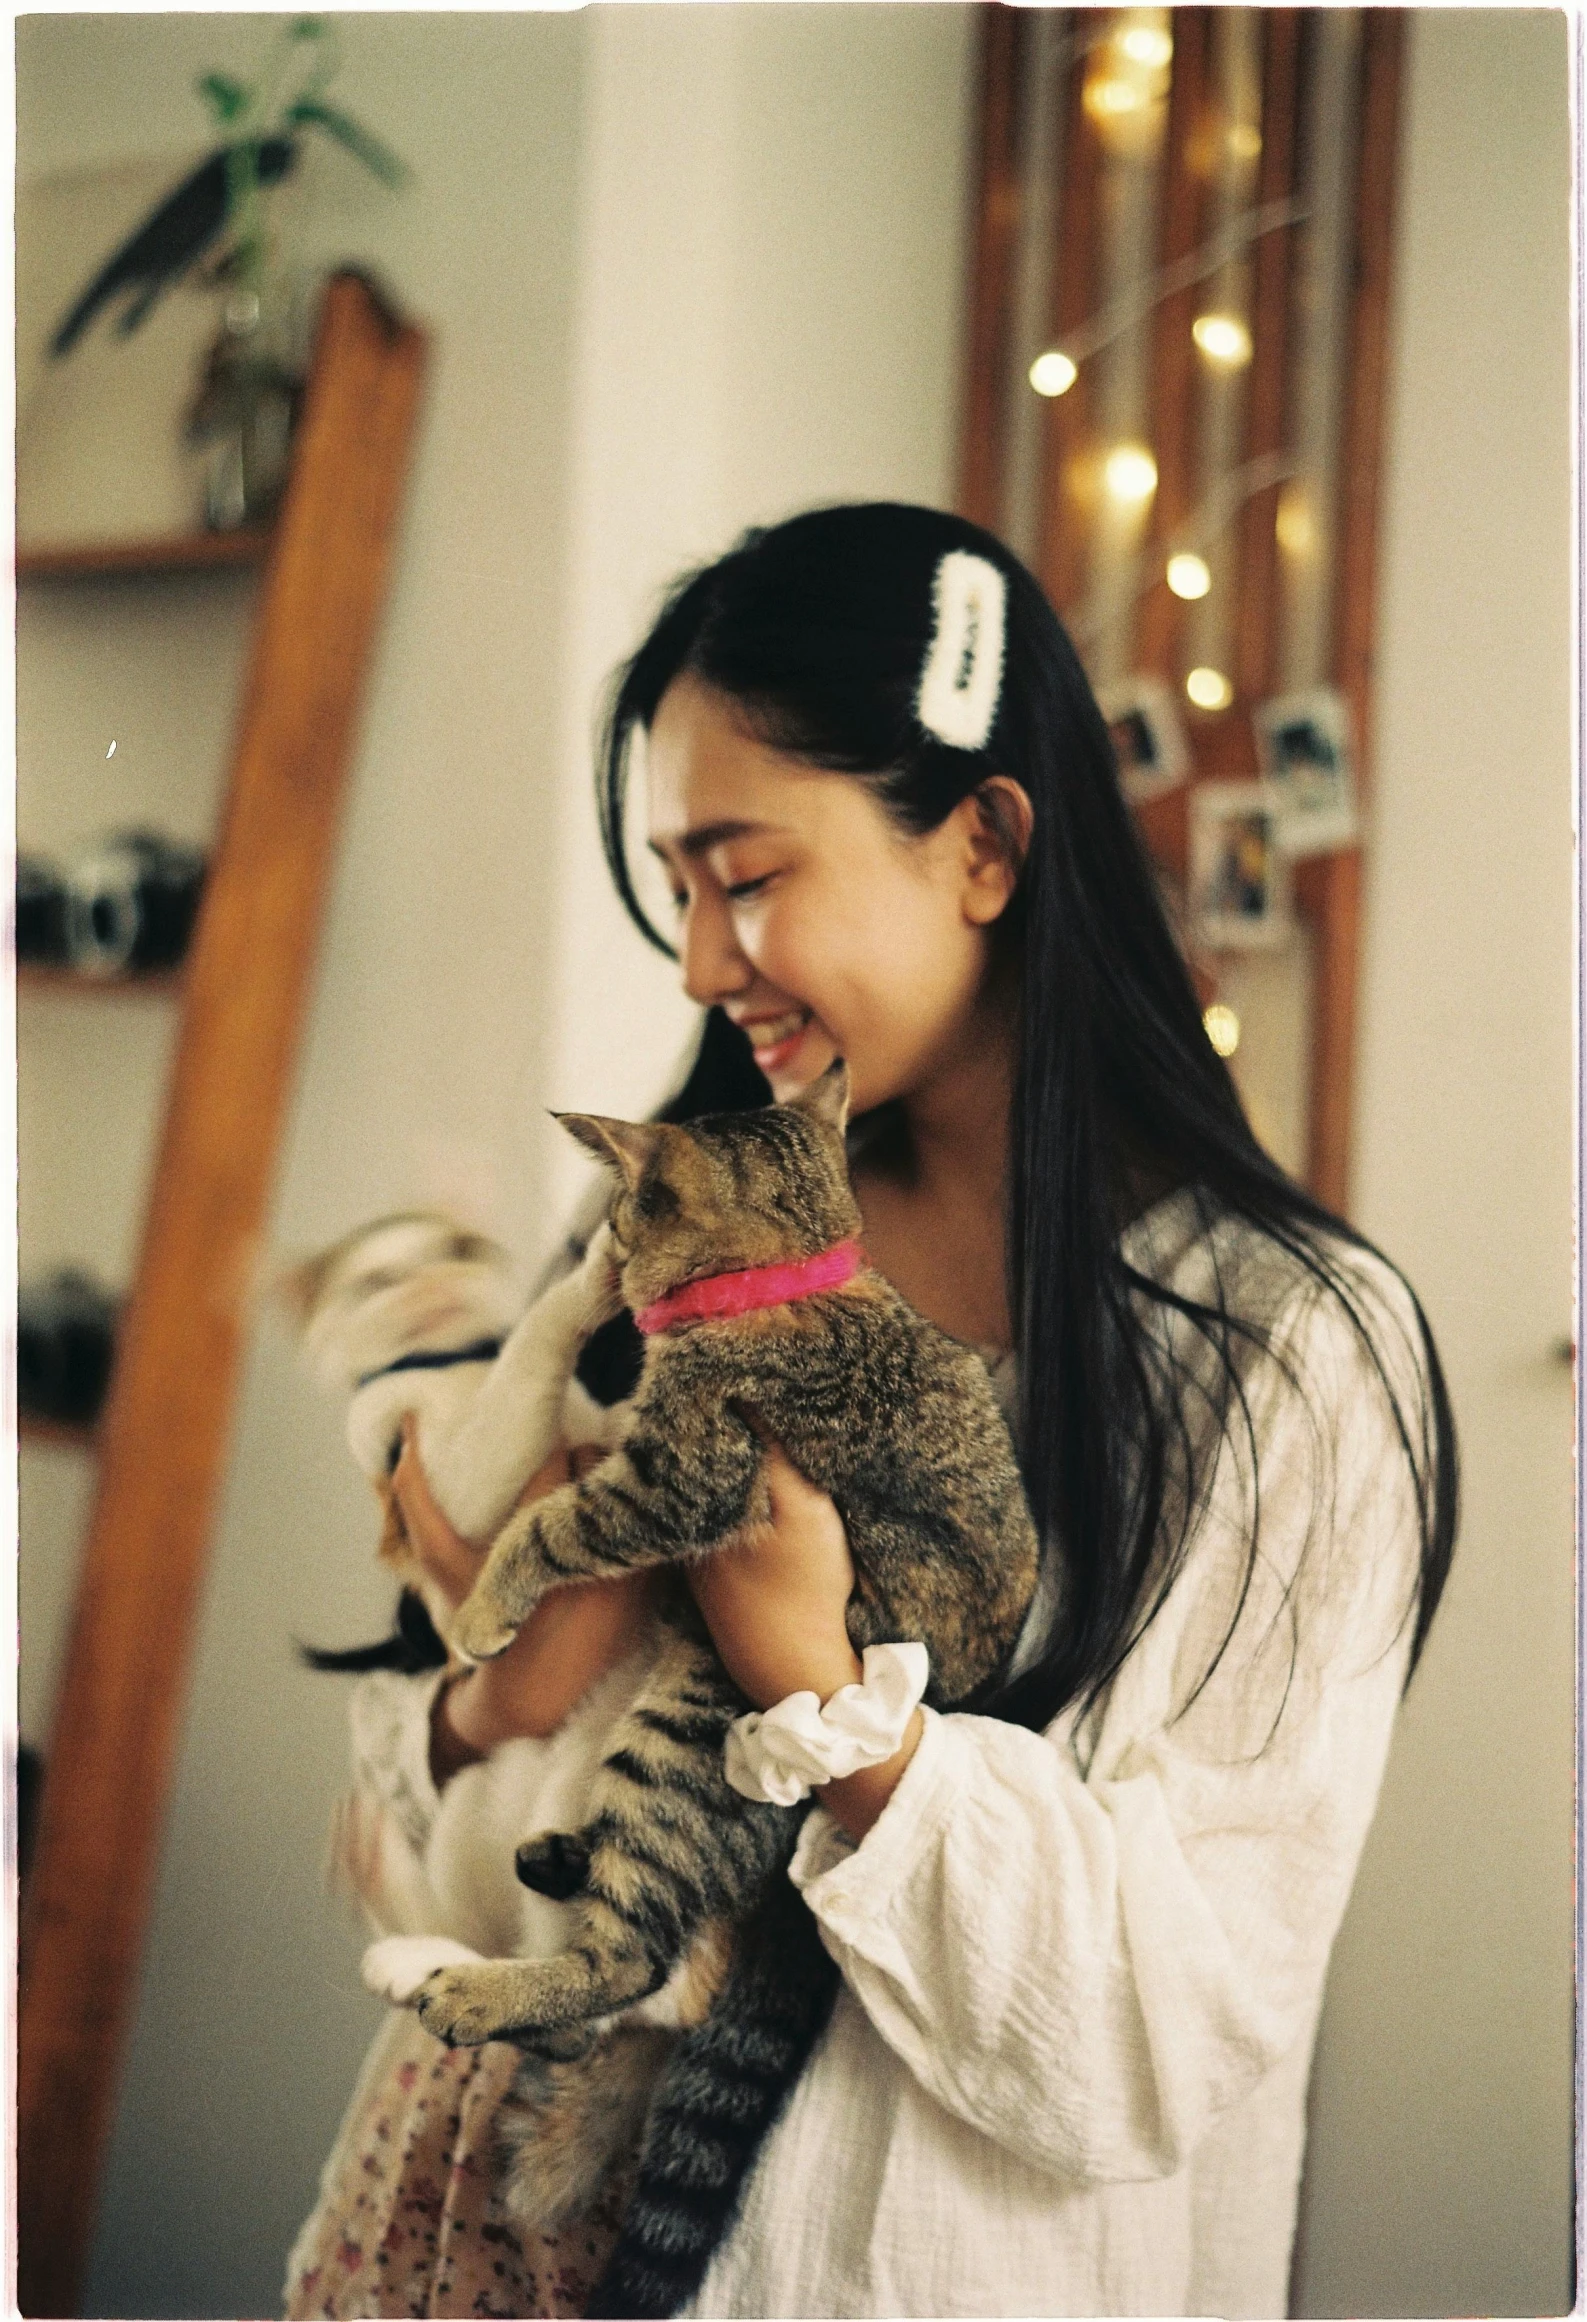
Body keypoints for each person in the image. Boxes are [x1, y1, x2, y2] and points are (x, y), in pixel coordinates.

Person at [286, 502, 1456, 2321]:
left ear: (982, 844)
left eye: (743, 873)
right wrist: (486, 1694)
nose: (694, 962)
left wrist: (835, 1709)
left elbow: (1170, 2026)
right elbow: (396, 1844)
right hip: (450, 2227)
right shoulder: (661, 1233)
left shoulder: (1281, 1355)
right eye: (675, 884)